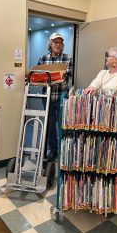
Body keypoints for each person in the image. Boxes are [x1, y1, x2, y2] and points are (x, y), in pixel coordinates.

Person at [38, 33, 72, 161]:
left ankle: (65, 150)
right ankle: (53, 150)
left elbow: (67, 77)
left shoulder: (67, 58)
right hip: (47, 98)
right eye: (55, 42)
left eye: (59, 42)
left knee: (63, 125)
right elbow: (38, 75)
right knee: (50, 126)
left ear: (62, 45)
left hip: (61, 97)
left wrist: (55, 78)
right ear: (50, 44)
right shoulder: (43, 58)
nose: (57, 45)